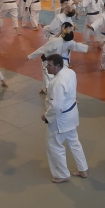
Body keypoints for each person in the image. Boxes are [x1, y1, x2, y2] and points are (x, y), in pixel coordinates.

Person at [41, 54, 88, 183]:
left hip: (60, 119)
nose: (46, 67)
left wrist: (46, 116)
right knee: (74, 142)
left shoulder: (58, 82)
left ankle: (62, 174)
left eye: (49, 65)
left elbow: (56, 106)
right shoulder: (70, 72)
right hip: (72, 113)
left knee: (53, 145)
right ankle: (83, 169)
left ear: (58, 66)